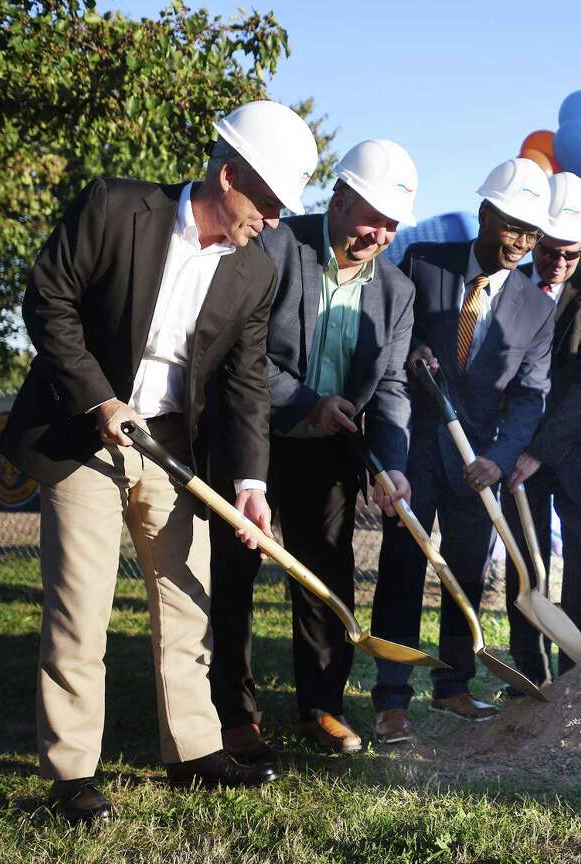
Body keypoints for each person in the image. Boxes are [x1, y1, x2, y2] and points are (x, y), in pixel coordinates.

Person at [0, 101, 318, 821]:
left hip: (169, 449)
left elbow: (243, 384)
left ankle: (196, 751)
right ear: (227, 175)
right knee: (80, 611)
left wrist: (252, 482)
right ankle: (72, 775)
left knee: (187, 602)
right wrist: (98, 399)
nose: (271, 219)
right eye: (266, 201)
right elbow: (48, 300)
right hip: (87, 439)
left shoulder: (256, 273)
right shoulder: (115, 208)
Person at [208, 139, 418, 758]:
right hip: (252, 439)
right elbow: (237, 354)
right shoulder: (275, 244)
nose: (379, 234)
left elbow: (393, 387)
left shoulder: (397, 292)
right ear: (340, 196)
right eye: (370, 217)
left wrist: (394, 463)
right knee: (234, 575)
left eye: (392, 225)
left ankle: (321, 707)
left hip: (329, 455)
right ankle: (232, 712)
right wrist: (307, 402)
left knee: (327, 580)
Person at [369, 158, 554, 743]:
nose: (520, 242)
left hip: (479, 464)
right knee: (402, 570)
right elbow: (388, 337)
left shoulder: (538, 307)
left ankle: (453, 687)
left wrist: (500, 458)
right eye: (511, 226)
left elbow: (530, 397)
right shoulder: (424, 266)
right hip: (417, 447)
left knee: (467, 577)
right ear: (484, 214)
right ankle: (392, 697)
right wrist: (415, 347)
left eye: (530, 233)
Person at [500, 172, 581, 689]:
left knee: (580, 563)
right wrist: (515, 448)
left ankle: (579, 670)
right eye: (550, 251)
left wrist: (540, 450)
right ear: (534, 241)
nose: (558, 263)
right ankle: (526, 669)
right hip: (516, 444)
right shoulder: (508, 285)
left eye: (570, 254)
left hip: (575, 451)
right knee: (522, 563)